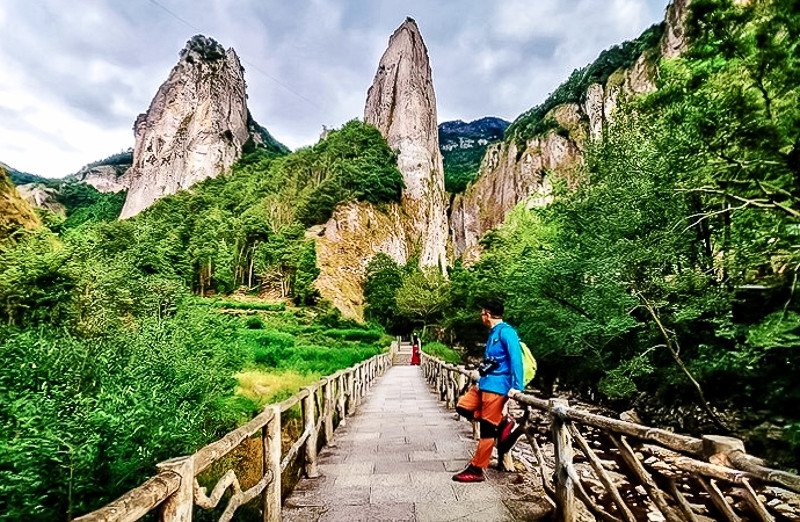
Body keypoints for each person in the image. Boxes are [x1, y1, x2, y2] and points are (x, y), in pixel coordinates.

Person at [452, 299, 523, 482]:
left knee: (487, 431)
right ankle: (502, 421)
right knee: (462, 406)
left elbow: (516, 358)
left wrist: (517, 386)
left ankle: (477, 469)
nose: (481, 316)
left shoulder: (507, 332)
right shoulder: (493, 333)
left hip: (497, 388)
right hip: (484, 384)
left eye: (482, 313)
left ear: (487, 314)